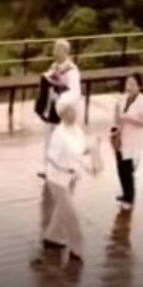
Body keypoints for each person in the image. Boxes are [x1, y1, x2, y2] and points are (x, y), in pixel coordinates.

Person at [42, 92, 101, 265]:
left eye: (74, 110)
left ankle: (52, 237)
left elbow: (79, 150)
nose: (74, 113)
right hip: (57, 180)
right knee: (71, 215)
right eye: (69, 111)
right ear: (62, 114)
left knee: (62, 211)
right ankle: (77, 248)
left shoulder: (76, 130)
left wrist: (93, 147)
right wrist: (66, 168)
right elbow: (51, 157)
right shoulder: (59, 134)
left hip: (71, 178)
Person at [109, 73, 143, 211]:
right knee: (120, 168)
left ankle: (129, 199)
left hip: (133, 140)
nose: (128, 87)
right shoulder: (124, 99)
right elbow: (118, 118)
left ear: (139, 86)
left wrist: (129, 119)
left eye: (132, 84)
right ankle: (125, 194)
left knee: (127, 170)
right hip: (121, 138)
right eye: (127, 83)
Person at [34, 39, 81, 179]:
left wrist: (60, 89)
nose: (55, 52)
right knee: (49, 135)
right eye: (55, 49)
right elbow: (48, 80)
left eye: (58, 49)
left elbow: (74, 91)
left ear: (65, 51)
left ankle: (73, 166)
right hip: (54, 106)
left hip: (66, 107)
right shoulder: (54, 66)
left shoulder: (72, 70)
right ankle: (45, 168)